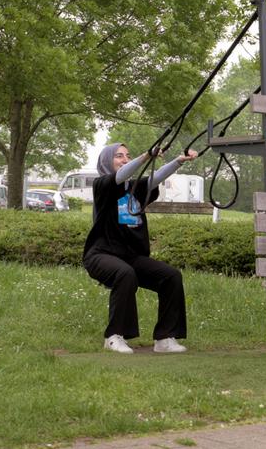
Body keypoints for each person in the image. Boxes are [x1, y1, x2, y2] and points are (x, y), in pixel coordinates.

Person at [82, 143, 198, 353]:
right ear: (106, 161)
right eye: (119, 156)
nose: (125, 159)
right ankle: (113, 337)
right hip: (100, 254)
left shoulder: (135, 187)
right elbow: (121, 176)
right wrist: (146, 156)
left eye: (127, 155)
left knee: (171, 276)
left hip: (130, 256)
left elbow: (156, 177)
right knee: (124, 274)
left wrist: (179, 161)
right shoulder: (102, 185)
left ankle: (164, 339)